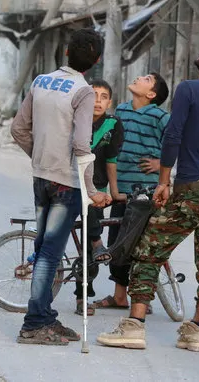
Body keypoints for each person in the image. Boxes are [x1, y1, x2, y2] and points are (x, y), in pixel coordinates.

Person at [96, 43, 199, 352]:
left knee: (148, 252)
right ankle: (196, 332)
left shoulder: (188, 89)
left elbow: (173, 135)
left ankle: (133, 327)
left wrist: (163, 181)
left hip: (190, 188)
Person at [11, 28, 112, 346]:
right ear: (96, 60)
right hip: (66, 183)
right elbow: (83, 143)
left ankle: (44, 316)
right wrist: (92, 190)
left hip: (41, 177)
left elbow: (18, 128)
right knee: (49, 255)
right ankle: (33, 325)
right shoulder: (83, 92)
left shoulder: (41, 81)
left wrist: (40, 157)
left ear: (66, 52)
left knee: (45, 250)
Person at [91, 73, 170, 313]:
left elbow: (178, 143)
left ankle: (140, 298)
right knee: (117, 242)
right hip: (120, 190)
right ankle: (119, 296)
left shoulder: (160, 116)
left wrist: (160, 164)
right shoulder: (120, 112)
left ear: (152, 94)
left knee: (142, 246)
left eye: (146, 78)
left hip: (145, 192)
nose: (138, 77)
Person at [71, 79, 124, 316]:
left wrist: (114, 192)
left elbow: (111, 161)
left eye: (104, 96)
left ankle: (83, 297)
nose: (98, 101)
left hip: (98, 187)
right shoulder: (74, 120)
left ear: (109, 102)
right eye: (94, 95)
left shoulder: (113, 124)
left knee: (88, 248)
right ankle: (96, 241)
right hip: (70, 183)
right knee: (91, 241)